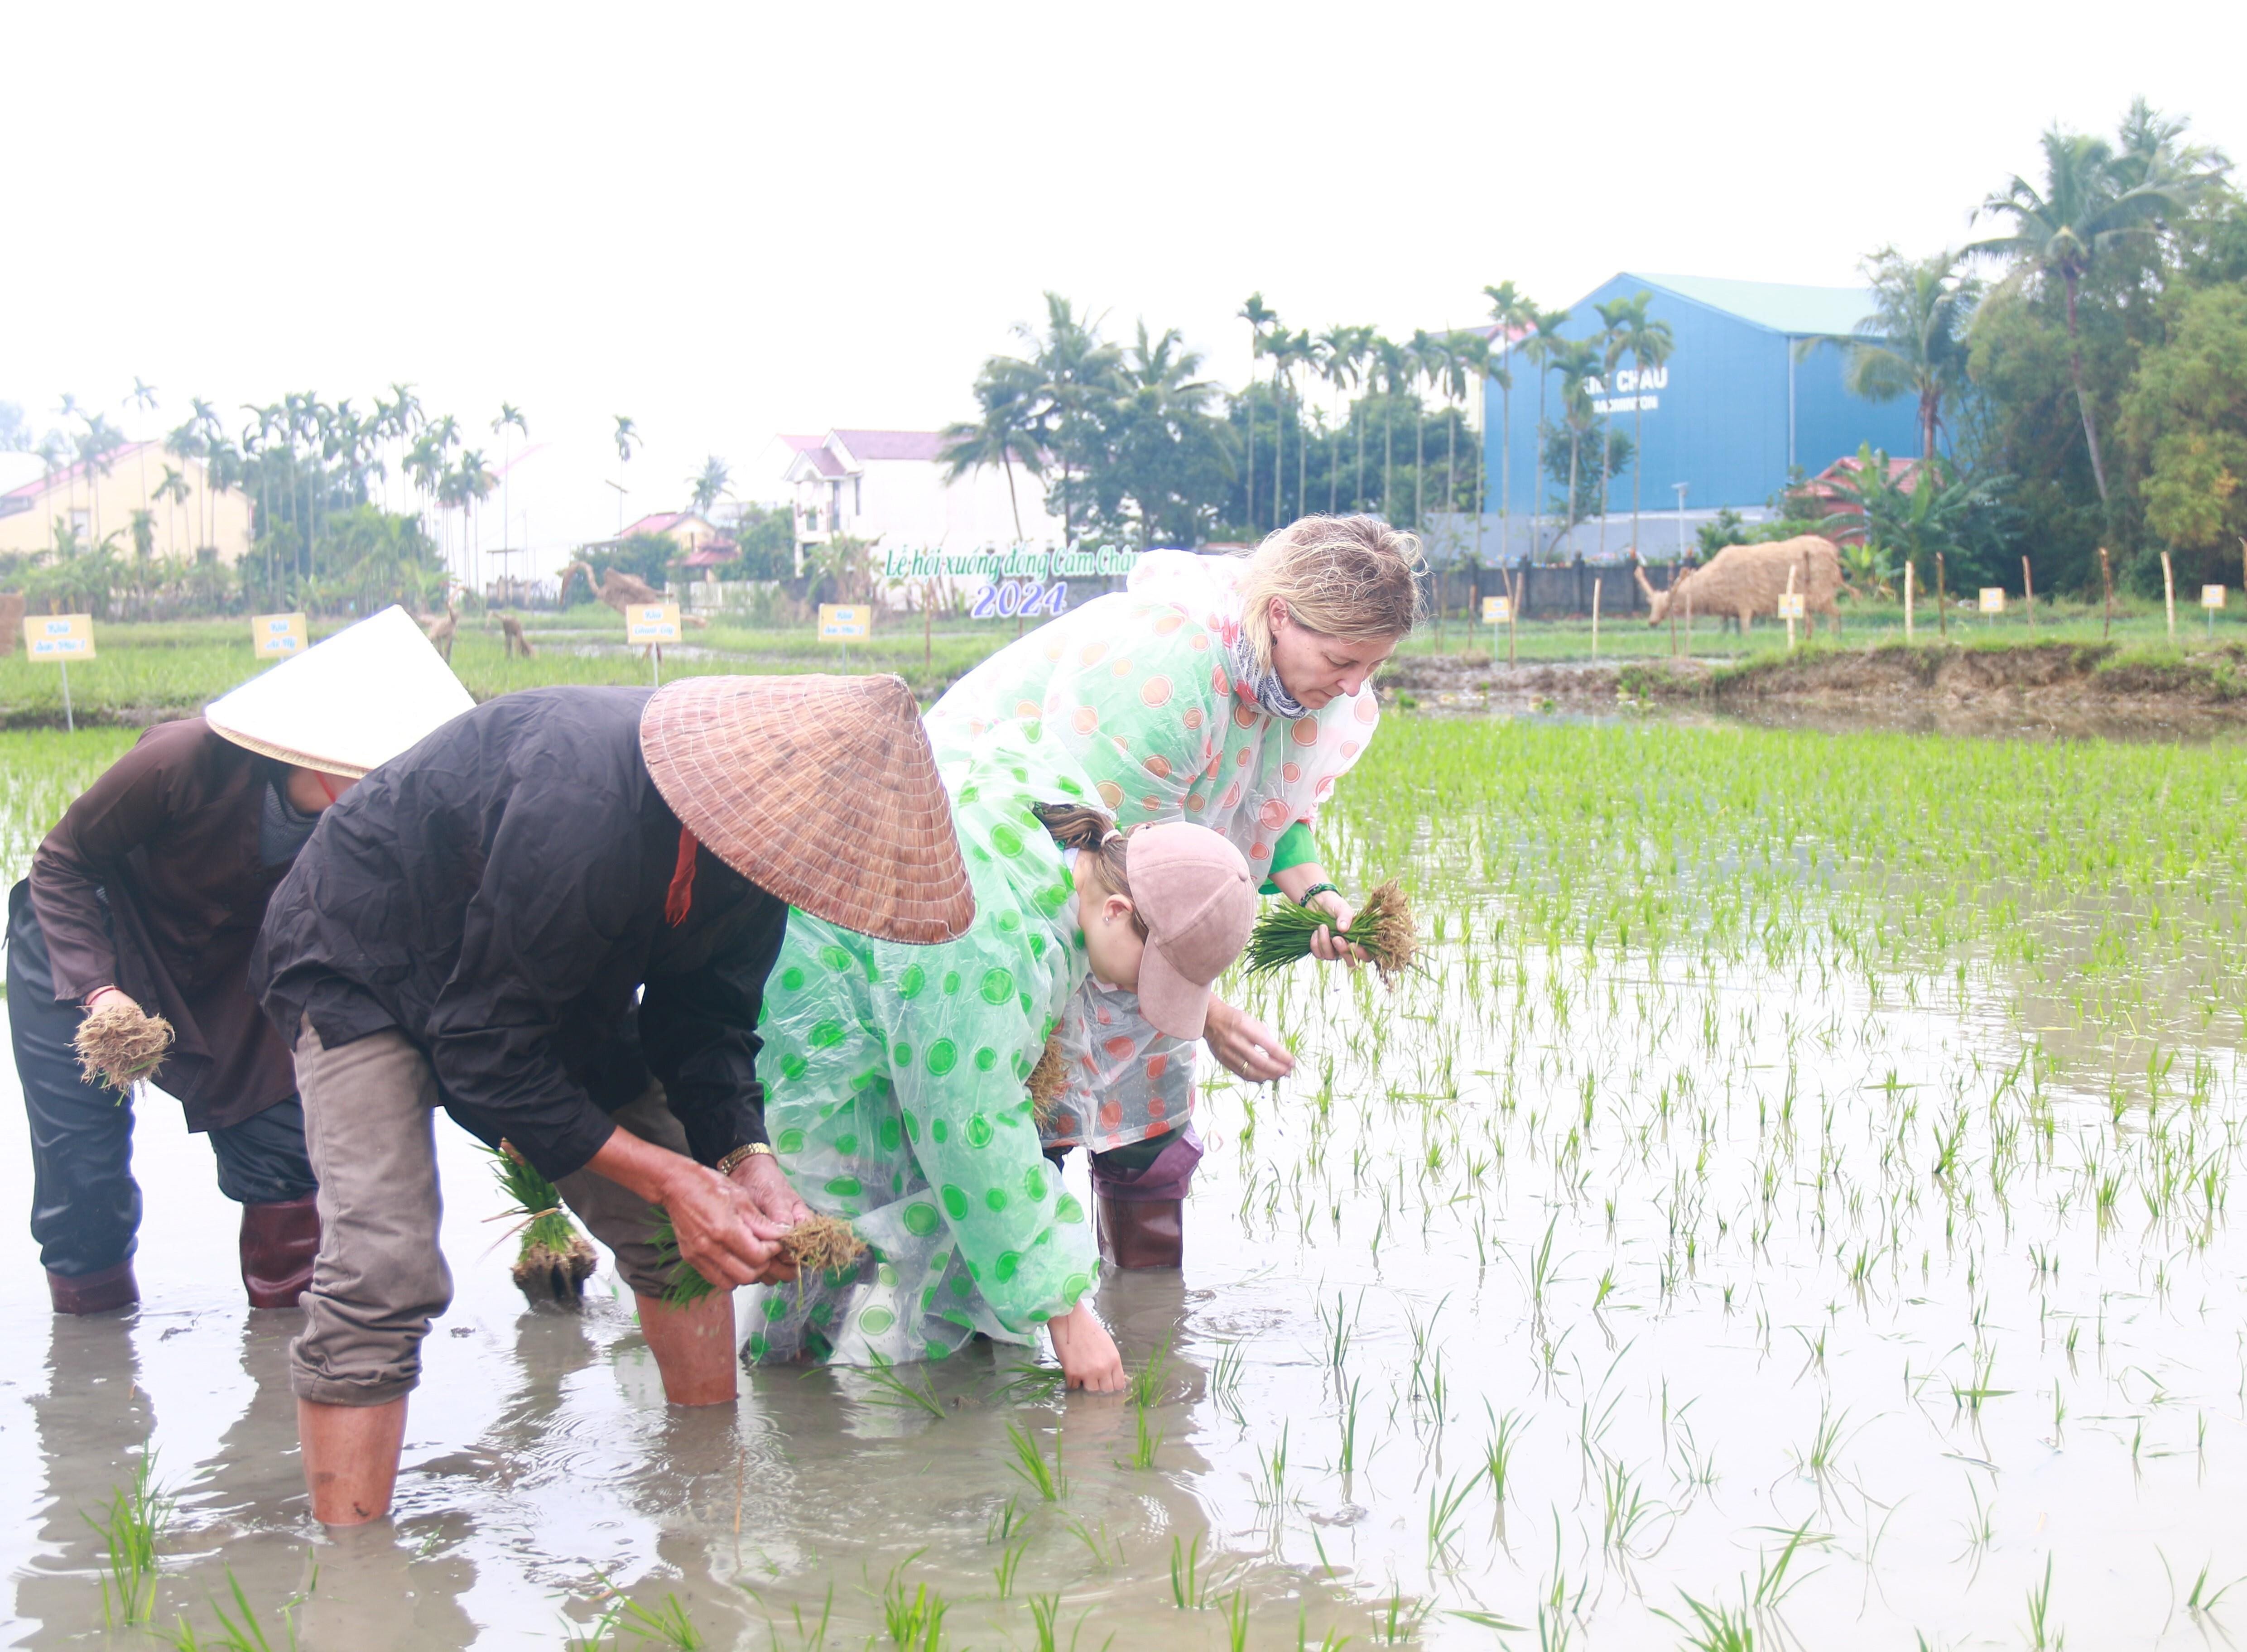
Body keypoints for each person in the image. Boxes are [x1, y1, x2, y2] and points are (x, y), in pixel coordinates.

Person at [250, 673, 973, 1526]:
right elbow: (483, 1048)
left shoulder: (762, 857)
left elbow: (705, 1022)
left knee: (683, 1237)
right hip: (363, 962)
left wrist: (749, 1164)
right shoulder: (582, 802)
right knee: (385, 1262)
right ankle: (354, 1575)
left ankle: (707, 1505)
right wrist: (670, 1177)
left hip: (543, 987)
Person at [922, 514, 1422, 1266]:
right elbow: (1112, 871)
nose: (1352, 686)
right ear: (1280, 616)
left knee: (1149, 1115)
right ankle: (993, 1345)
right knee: (1019, 1112)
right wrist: (1207, 1010)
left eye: (1370, 668)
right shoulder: (1167, 666)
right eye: (1342, 659)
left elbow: (1270, 808)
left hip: (1148, 908)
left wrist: (1318, 898)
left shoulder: (1296, 685)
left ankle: (1153, 1335)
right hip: (1020, 883)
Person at [746, 719, 1256, 1388]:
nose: (1134, 989)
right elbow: (972, 1126)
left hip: (886, 990)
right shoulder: (987, 940)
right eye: (1147, 969)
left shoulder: (1075, 829)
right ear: (1115, 910)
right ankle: (793, 1406)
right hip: (817, 1033)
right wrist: (1066, 1314)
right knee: (832, 1242)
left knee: (936, 1236)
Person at [7, 606, 472, 1315]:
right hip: (88, 941)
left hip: (230, 971)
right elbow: (62, 864)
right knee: (83, 1181)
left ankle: (287, 1360)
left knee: (285, 1147)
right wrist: (101, 991)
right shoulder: (181, 759)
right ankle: (95, 1367)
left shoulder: (380, 826)